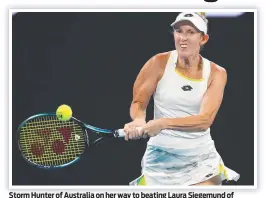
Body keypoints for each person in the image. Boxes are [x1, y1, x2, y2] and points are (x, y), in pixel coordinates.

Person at [123, 12, 240, 186]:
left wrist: (164, 123)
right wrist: (139, 120)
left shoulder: (217, 73)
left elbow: (204, 120)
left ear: (203, 39)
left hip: (201, 159)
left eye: (190, 32)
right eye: (179, 31)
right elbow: (139, 102)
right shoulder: (158, 63)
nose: (183, 38)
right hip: (160, 161)